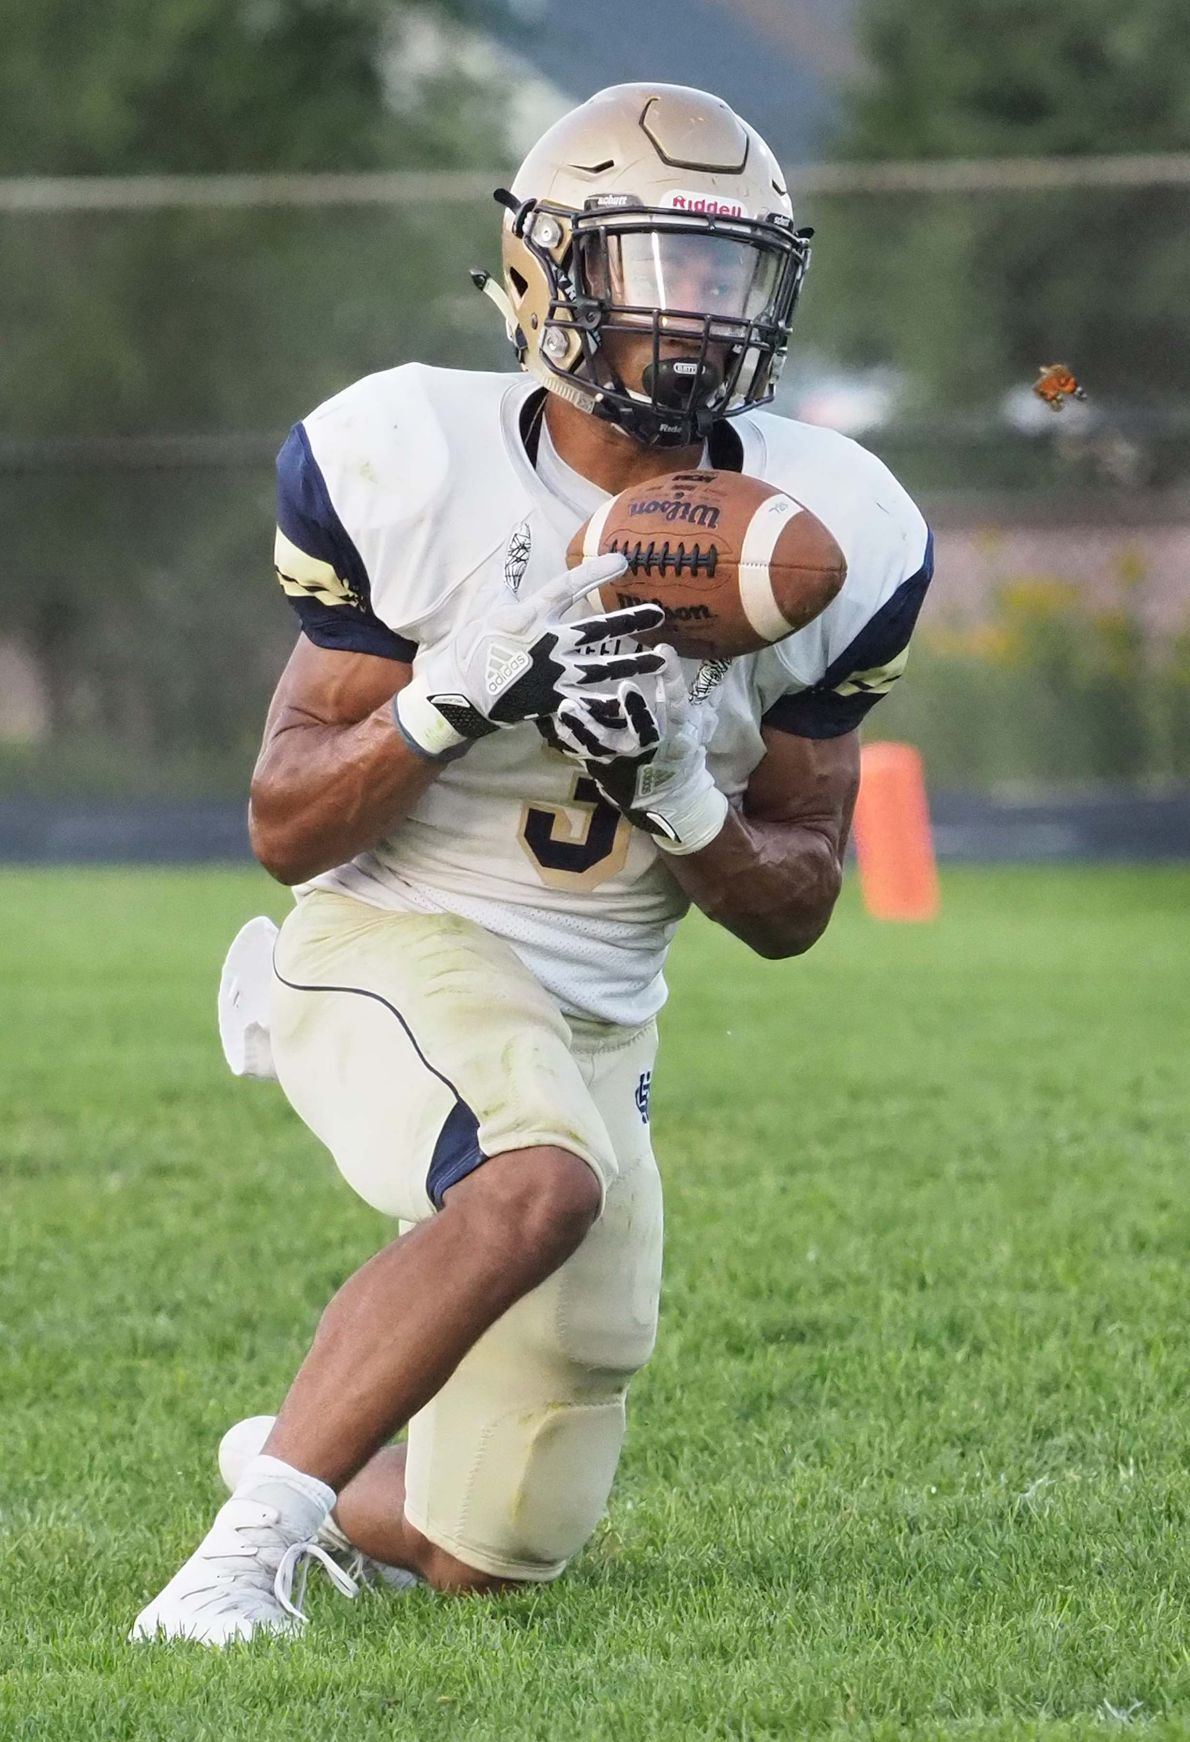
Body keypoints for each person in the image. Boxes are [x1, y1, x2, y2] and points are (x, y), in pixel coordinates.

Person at [132, 81, 933, 1644]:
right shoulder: (410, 458)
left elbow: (796, 906)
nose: (693, 320)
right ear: (538, 272)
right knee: (533, 1173)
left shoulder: (832, 534)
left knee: (488, 1544)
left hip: (597, 1006)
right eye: (651, 268)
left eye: (725, 277)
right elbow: (286, 822)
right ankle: (235, 1561)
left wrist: (679, 794)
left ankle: (306, 1450)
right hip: (386, 938)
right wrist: (454, 687)